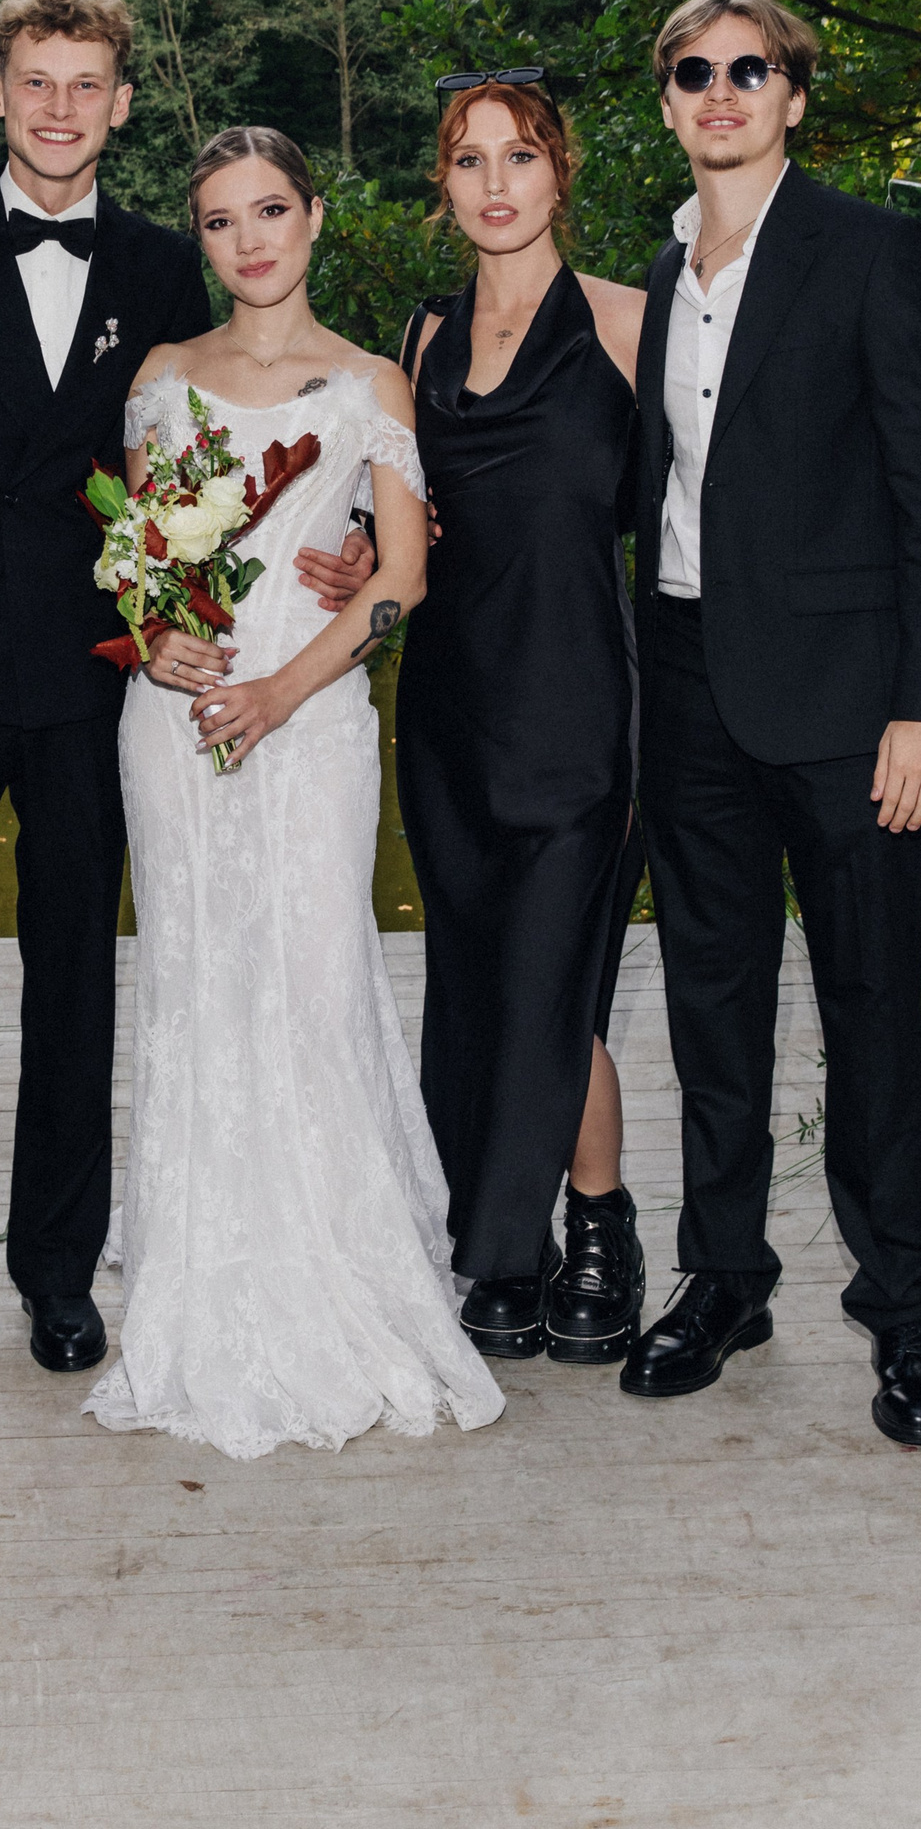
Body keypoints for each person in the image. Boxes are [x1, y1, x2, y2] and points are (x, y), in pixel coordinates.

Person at [0, 0, 372, 1454]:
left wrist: (359, 541)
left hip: (96, 680)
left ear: (121, 104)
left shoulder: (165, 269)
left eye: (86, 84)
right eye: (35, 80)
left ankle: (57, 1273)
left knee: (76, 979)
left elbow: (234, 460)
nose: (59, 107)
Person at [84, 126, 503, 1458]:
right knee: (196, 977)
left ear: (314, 218)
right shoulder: (161, 376)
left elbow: (403, 578)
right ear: (201, 240)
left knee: (316, 975)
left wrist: (282, 691)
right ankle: (198, 1265)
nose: (249, 240)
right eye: (220, 221)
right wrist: (158, 634)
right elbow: (140, 553)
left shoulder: (374, 384)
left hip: (309, 720)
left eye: (269, 211)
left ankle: (341, 1265)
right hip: (176, 724)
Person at [624, 0, 921, 1448]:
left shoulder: (870, 251)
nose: (720, 90)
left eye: (748, 69)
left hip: (847, 708)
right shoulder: (665, 271)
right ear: (667, 100)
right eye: (693, 72)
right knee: (710, 1008)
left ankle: (903, 1312)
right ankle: (726, 1279)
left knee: (869, 1015)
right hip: (688, 684)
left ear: (793, 94)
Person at [396, 74, 648, 1367]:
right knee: (481, 982)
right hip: (448, 710)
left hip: (579, 703)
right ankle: (523, 1237)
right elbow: (389, 524)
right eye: (469, 160)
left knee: (554, 981)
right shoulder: (420, 341)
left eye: (521, 156)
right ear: (442, 184)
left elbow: (708, 511)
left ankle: (575, 1230)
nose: (496, 183)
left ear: (562, 171)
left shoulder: (630, 323)